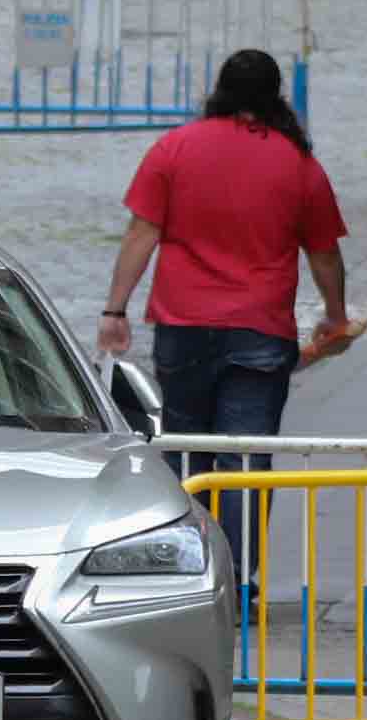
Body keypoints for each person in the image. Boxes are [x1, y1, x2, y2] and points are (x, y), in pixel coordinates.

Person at [97, 50, 351, 595]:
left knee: (188, 450)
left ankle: (189, 574)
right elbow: (324, 254)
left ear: (219, 90)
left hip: (183, 323)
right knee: (244, 459)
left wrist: (115, 310)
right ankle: (236, 579)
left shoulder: (174, 148)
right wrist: (335, 317)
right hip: (261, 328)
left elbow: (141, 233)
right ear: (276, 96)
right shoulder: (297, 162)